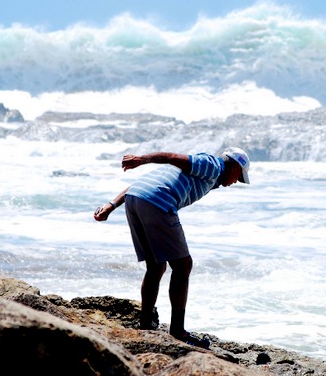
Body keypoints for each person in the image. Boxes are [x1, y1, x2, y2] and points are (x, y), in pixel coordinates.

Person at [93, 147, 251, 348]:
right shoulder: (213, 165)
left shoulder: (209, 176)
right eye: (239, 175)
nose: (236, 181)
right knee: (183, 266)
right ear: (234, 166)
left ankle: (145, 324)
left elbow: (144, 183)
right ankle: (178, 331)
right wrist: (141, 159)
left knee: (156, 266)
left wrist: (112, 205)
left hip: (135, 198)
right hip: (156, 201)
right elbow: (171, 157)